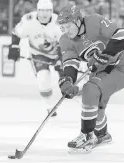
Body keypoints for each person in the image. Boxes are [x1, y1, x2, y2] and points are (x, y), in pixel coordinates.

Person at [57, 5, 124, 153]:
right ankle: (102, 135)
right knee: (96, 105)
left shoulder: (94, 21)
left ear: (78, 20)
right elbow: (70, 63)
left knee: (90, 89)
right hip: (101, 70)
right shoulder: (65, 40)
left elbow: (121, 34)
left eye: (68, 26)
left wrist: (106, 53)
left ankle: (87, 135)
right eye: (63, 28)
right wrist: (67, 80)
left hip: (120, 65)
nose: (66, 31)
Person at [8, 0, 63, 116]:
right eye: (42, 10)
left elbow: (65, 43)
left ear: (51, 11)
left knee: (67, 80)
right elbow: (16, 33)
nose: (44, 14)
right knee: (43, 79)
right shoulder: (29, 20)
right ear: (37, 10)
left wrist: (60, 60)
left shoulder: (59, 22)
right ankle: (49, 106)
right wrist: (14, 47)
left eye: (47, 11)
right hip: (39, 54)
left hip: (58, 53)